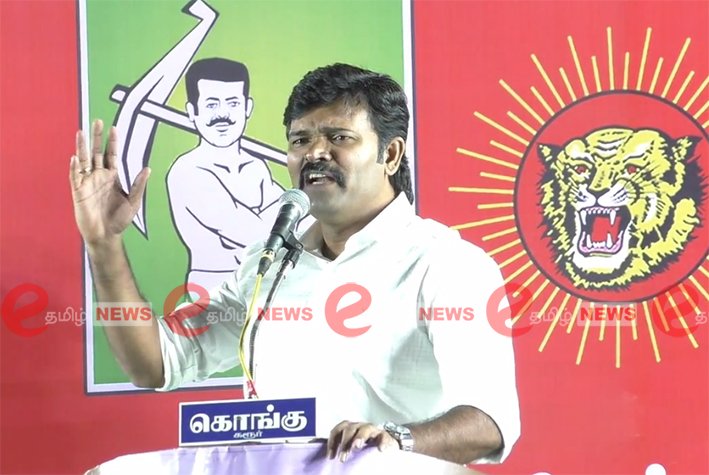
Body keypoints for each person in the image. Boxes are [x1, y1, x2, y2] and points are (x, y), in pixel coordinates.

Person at [69, 63, 520, 465]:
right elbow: (156, 362)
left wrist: (394, 441)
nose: (314, 153)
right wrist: (104, 243)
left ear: (390, 154)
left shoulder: (446, 263)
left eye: (339, 138)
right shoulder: (268, 265)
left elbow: (489, 422)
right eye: (300, 140)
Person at [167, 58, 285, 291]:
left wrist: (293, 209)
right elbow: (254, 234)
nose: (223, 114)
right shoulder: (187, 171)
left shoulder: (257, 166)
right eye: (211, 104)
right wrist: (289, 210)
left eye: (232, 103)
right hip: (212, 288)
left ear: (247, 108)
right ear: (192, 111)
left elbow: (298, 214)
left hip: (263, 284)